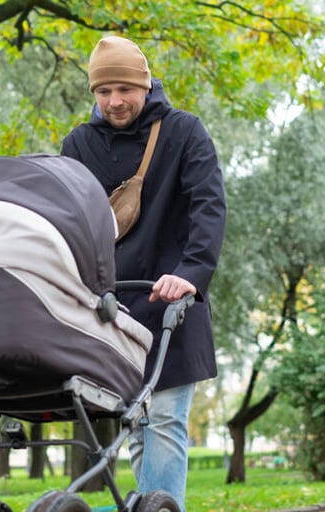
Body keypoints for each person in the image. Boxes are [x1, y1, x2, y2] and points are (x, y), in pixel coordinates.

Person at [61, 36, 226, 510]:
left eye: (124, 90)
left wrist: (191, 272)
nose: (114, 102)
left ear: (146, 83)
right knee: (135, 425)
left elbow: (208, 207)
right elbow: (72, 221)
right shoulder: (78, 144)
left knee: (166, 419)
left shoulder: (184, 132)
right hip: (112, 307)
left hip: (173, 299)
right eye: (103, 91)